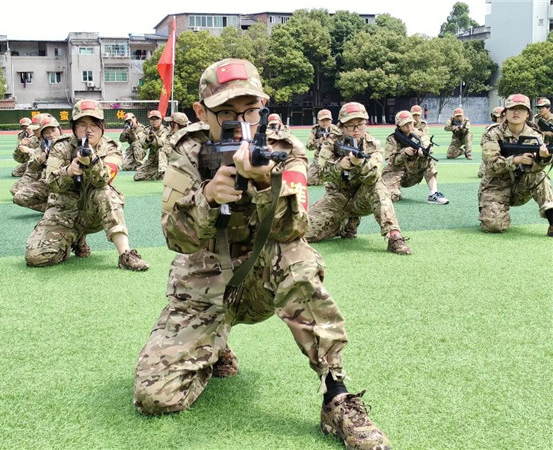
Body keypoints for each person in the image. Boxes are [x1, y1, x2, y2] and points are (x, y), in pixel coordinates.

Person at [133, 58, 391, 449]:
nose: (241, 122)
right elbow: (175, 238)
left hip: (263, 281)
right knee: (155, 397)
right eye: (226, 113)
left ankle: (336, 395)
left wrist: (266, 185)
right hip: (202, 288)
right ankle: (213, 344)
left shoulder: (284, 149)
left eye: (250, 110)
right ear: (201, 112)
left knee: (296, 257)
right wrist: (207, 197)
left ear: (264, 107)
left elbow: (295, 228)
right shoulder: (187, 150)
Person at [25, 99, 150, 270]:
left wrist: (92, 161)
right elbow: (50, 184)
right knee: (36, 258)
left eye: (94, 124)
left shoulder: (111, 147)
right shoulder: (61, 147)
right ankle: (72, 239)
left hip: (93, 213)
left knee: (104, 192)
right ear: (74, 127)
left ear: (102, 126)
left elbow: (104, 179)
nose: (88, 130)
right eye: (82, 124)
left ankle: (126, 254)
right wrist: (69, 171)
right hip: (62, 214)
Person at [305, 102, 412, 255]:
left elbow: (373, 177)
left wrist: (360, 164)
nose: (356, 130)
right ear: (341, 126)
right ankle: (344, 225)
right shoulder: (331, 142)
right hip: (337, 197)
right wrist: (339, 165)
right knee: (303, 232)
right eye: (350, 126)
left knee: (378, 186)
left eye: (360, 124)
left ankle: (394, 236)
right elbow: (321, 172)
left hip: (361, 198)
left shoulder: (373, 144)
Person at [478, 93, 553, 236]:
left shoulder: (535, 135)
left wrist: (543, 158)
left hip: (521, 185)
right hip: (496, 185)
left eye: (521, 109)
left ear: (528, 114)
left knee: (540, 175)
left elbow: (536, 168)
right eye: (512, 109)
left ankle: (552, 219)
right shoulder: (492, 133)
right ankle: (489, 208)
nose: (516, 112)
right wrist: (516, 160)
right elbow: (491, 165)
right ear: (505, 113)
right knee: (494, 226)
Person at [383, 110, 450, 205]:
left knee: (428, 159)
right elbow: (390, 161)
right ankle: (394, 190)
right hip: (395, 173)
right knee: (391, 197)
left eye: (410, 123)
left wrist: (423, 152)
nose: (409, 126)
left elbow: (427, 146)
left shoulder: (420, 134)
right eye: (405, 124)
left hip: (412, 173)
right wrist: (404, 153)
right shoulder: (392, 139)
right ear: (398, 126)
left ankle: (434, 193)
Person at [13, 116, 66, 212]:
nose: (50, 134)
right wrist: (40, 159)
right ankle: (52, 208)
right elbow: (30, 169)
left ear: (59, 129)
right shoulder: (42, 147)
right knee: (19, 196)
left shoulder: (70, 143)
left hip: (67, 182)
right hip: (47, 182)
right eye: (46, 132)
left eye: (53, 130)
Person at [133, 109, 170, 181]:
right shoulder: (147, 130)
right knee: (138, 176)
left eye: (156, 119)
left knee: (161, 149)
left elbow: (161, 143)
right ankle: (158, 173)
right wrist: (147, 140)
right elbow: (144, 146)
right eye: (152, 119)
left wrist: (154, 137)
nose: (154, 121)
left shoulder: (165, 130)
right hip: (153, 157)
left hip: (165, 158)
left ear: (161, 120)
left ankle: (164, 172)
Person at [306, 109, 338, 186]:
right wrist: (319, 141)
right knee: (310, 181)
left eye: (327, 120)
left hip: (334, 157)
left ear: (331, 120)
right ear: (318, 121)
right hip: (319, 157)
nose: (325, 122)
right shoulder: (315, 130)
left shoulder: (336, 130)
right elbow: (308, 146)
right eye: (322, 120)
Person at [478, 106, 505, 178]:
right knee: (483, 173)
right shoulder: (490, 130)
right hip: (493, 156)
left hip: (508, 156)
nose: (502, 119)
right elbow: (484, 146)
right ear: (494, 118)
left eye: (503, 117)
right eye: (500, 117)